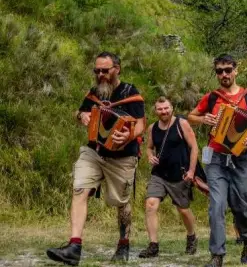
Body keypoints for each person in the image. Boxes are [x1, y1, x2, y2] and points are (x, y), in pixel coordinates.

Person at [47, 52, 146, 265]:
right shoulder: (94, 93)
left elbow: (140, 125)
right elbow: (80, 111)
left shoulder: (131, 93)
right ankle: (74, 247)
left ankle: (123, 243)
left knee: (121, 202)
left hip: (122, 157)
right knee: (79, 188)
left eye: (105, 70)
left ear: (117, 69)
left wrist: (129, 135)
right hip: (94, 152)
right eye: (97, 70)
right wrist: (80, 115)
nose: (100, 74)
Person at [188, 54, 247, 267]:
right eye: (219, 71)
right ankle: (217, 255)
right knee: (217, 205)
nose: (224, 74)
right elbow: (190, 117)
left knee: (241, 205)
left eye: (227, 70)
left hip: (241, 158)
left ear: (235, 71)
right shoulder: (212, 97)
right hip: (216, 159)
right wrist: (203, 119)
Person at [139, 97, 199, 259]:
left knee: (183, 210)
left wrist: (192, 171)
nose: (163, 111)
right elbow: (149, 148)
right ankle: (153, 246)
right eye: (160, 109)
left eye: (166, 108)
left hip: (179, 174)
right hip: (159, 174)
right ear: (156, 111)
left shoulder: (182, 124)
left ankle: (191, 236)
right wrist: (150, 156)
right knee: (151, 204)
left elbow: (194, 147)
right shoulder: (153, 128)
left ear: (171, 108)